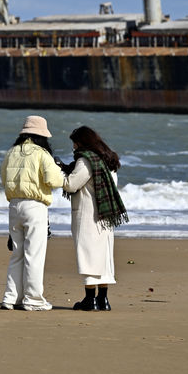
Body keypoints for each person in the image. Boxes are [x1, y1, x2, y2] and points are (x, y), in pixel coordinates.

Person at [0, 115, 64, 311]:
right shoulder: (41, 154)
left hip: (14, 205)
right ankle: (33, 299)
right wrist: (60, 170)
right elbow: (54, 181)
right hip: (35, 206)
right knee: (34, 255)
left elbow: (3, 177)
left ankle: (11, 298)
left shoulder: (11, 152)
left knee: (17, 254)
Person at [62, 126, 128, 312]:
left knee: (89, 255)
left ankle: (89, 300)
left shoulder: (85, 161)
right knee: (104, 256)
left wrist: (60, 171)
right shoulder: (108, 159)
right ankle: (103, 300)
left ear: (82, 142)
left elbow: (71, 184)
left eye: (75, 142)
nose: (73, 147)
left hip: (88, 214)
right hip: (106, 214)